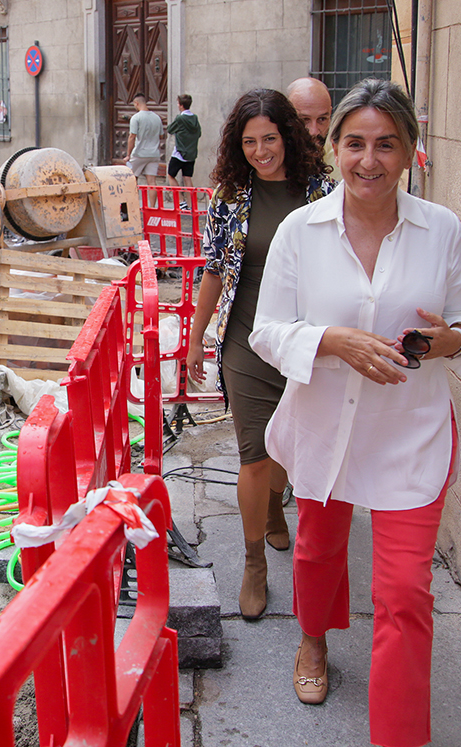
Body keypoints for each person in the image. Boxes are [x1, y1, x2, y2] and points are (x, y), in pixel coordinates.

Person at [249, 79, 461, 745]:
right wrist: (331, 340)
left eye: (386, 143)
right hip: (324, 425)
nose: (368, 160)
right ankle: (313, 641)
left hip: (408, 432)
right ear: (332, 149)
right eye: (353, 143)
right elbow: (266, 331)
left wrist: (452, 340)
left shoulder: (441, 231)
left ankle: (399, 735)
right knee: (319, 552)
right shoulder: (301, 231)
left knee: (405, 594)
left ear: (410, 150)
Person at [184, 89, 334, 622]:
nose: (260, 151)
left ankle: (276, 506)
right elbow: (214, 269)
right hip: (247, 338)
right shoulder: (230, 195)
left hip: (305, 341)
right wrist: (196, 338)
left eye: (269, 138)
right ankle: (253, 564)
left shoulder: (323, 192)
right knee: (253, 451)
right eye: (249, 142)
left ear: (288, 136)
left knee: (286, 449)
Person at [287, 76, 335, 170]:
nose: (314, 131)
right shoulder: (272, 158)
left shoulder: (343, 162)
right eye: (305, 120)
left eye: (322, 119)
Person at [125, 93, 165, 185]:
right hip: (154, 154)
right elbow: (161, 135)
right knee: (152, 182)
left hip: (139, 153)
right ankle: (153, 200)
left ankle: (132, 199)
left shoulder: (136, 118)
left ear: (136, 103)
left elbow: (132, 136)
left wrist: (128, 154)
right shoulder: (157, 117)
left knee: (132, 179)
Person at [166, 93, 201, 189]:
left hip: (179, 153)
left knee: (170, 175)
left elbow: (170, 129)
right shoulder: (195, 118)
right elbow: (199, 133)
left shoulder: (180, 118)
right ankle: (191, 203)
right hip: (191, 154)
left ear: (181, 105)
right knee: (187, 178)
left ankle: (181, 200)